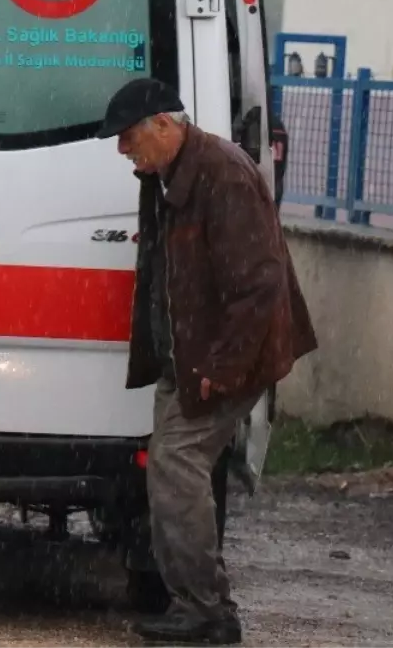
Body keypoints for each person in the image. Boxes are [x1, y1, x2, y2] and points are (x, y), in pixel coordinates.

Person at [97, 79, 318, 646]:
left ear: (165, 125)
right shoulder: (169, 172)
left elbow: (258, 286)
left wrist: (219, 368)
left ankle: (207, 611)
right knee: (172, 470)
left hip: (229, 356)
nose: (123, 150)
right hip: (193, 354)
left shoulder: (222, 173)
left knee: (176, 468)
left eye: (128, 138)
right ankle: (195, 603)